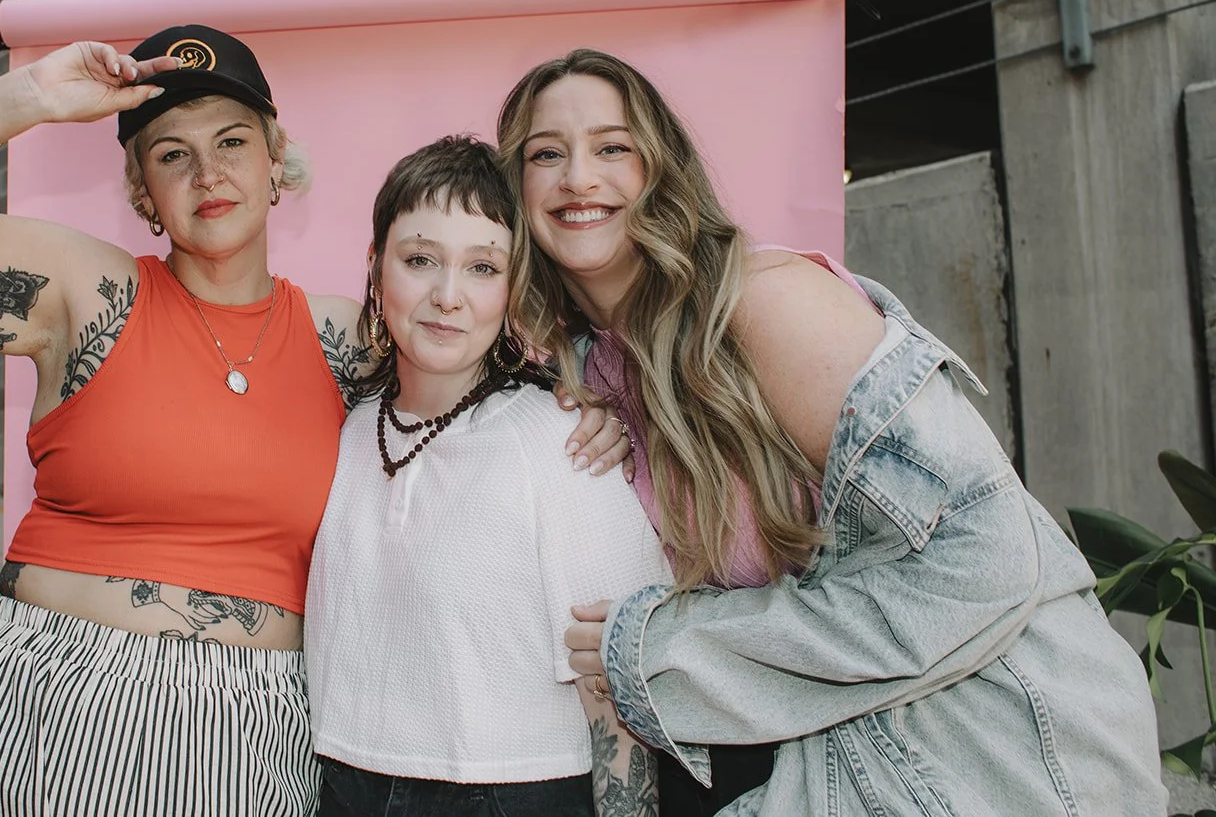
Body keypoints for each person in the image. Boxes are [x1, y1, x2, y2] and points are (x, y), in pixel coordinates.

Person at [0, 27, 627, 816]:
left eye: (232, 141)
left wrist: (588, 396)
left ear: (275, 163)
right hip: (42, 707)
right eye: (173, 154)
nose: (208, 173)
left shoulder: (349, 340)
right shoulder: (87, 295)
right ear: (143, 191)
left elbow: (476, 325)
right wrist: (23, 98)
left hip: (251, 737)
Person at [493, 48, 1167, 816]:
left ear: (660, 169)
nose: (579, 178)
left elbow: (987, 558)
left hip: (996, 744)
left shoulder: (762, 304)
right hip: (828, 757)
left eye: (613, 147)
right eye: (547, 154)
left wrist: (666, 647)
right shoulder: (594, 370)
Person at [305, 135, 674, 817]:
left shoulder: (564, 439)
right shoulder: (349, 427)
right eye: (420, 259)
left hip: (516, 790)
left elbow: (617, 685)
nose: (448, 296)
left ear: (513, 287)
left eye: (482, 267)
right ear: (376, 266)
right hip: (343, 780)